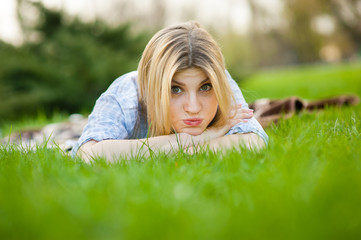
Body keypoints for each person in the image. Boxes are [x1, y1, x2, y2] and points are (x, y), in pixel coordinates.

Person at [72, 21, 268, 162]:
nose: (193, 108)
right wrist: (200, 137)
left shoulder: (219, 80)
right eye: (175, 89)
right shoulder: (125, 94)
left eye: (205, 87)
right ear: (151, 87)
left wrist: (177, 150)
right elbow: (88, 154)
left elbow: (253, 141)